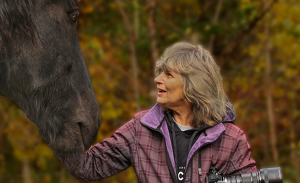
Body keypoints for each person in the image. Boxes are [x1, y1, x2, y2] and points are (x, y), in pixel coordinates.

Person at [74, 42, 257, 183]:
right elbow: (89, 166)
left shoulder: (230, 139)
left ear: (193, 86)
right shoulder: (141, 127)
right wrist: (56, 128)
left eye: (168, 75)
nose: (157, 79)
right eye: (161, 72)